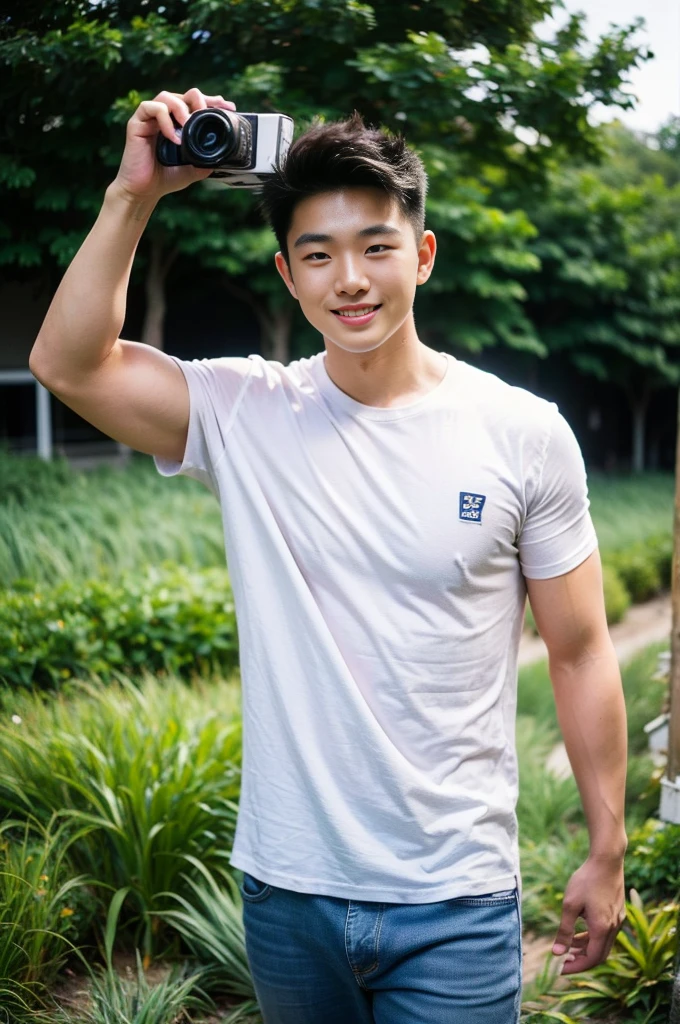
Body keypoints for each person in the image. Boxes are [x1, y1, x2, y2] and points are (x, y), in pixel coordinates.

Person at [30, 88, 628, 1024]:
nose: (350, 277)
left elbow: (581, 649)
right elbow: (69, 365)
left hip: (455, 899)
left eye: (376, 247)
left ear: (422, 256)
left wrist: (608, 847)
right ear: (288, 275)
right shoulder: (245, 410)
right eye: (319, 255)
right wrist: (132, 197)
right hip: (287, 890)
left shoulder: (523, 433)